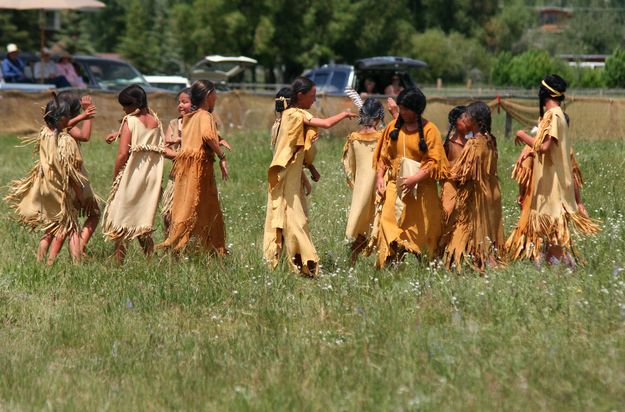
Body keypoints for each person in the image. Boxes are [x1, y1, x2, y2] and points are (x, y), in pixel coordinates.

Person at [263, 76, 357, 276]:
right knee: (295, 220)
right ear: (300, 95)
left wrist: (311, 169)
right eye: (312, 96)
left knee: (286, 218)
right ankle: (307, 264)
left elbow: (296, 149)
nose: (314, 100)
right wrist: (344, 114)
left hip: (290, 179)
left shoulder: (287, 116)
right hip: (287, 181)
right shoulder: (297, 115)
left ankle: (284, 262)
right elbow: (326, 123)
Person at [506, 74, 600, 265]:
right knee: (551, 230)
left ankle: (560, 263)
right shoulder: (558, 115)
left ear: (544, 93)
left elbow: (545, 147)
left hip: (554, 184)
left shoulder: (554, 115)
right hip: (555, 181)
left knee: (554, 228)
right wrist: (531, 153)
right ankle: (556, 261)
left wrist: (522, 135)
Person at [372, 87, 448, 268]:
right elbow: (383, 156)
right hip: (396, 185)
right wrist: (380, 179)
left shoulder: (430, 130)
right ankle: (391, 262)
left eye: (406, 109)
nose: (402, 112)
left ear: (417, 109)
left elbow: (434, 161)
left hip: (422, 189)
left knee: (425, 228)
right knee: (388, 221)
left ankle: (427, 263)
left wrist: (415, 179)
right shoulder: (392, 128)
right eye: (401, 108)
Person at [5, 94, 83, 265]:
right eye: (69, 116)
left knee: (50, 227)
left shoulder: (43, 134)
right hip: (59, 188)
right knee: (71, 227)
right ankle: (74, 264)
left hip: (45, 186)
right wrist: (80, 192)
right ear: (63, 119)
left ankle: (41, 261)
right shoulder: (67, 141)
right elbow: (73, 170)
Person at [157, 80, 229, 255]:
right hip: (199, 170)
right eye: (215, 94)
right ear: (208, 96)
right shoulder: (205, 116)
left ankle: (188, 246)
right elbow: (206, 135)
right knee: (204, 210)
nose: (216, 98)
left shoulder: (190, 117)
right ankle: (207, 248)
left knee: (186, 208)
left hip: (186, 169)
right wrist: (221, 156)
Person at [102, 85, 165, 263]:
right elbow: (147, 140)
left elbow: (123, 154)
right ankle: (151, 261)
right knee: (142, 219)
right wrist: (118, 133)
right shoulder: (156, 121)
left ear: (135, 102)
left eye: (126, 105)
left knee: (122, 219)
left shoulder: (129, 121)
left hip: (133, 174)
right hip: (151, 176)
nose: (124, 109)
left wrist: (116, 177)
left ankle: (118, 263)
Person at [441, 101, 505, 271]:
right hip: (492, 190)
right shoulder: (491, 139)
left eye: (467, 116)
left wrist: (448, 173)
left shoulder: (473, 143)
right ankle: (489, 262)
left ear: (475, 120)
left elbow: (467, 172)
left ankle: (483, 264)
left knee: (478, 230)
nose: (465, 118)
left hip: (478, 193)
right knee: (489, 230)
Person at [342, 97, 385, 263]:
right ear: (378, 117)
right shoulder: (382, 136)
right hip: (380, 186)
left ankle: (352, 260)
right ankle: (384, 263)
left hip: (361, 190)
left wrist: (356, 181)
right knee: (380, 221)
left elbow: (349, 165)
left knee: (362, 224)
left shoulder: (353, 138)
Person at [58, 91, 100, 255]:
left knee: (68, 219)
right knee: (94, 213)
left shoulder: (52, 124)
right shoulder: (65, 125)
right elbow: (84, 136)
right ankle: (79, 249)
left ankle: (52, 258)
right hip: (73, 177)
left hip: (64, 176)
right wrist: (86, 115)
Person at [440, 105, 468, 221]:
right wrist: (452, 175)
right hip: (450, 188)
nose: (469, 122)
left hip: (467, 189)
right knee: (448, 217)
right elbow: (440, 170)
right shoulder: (448, 144)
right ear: (456, 122)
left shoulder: (472, 144)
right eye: (465, 119)